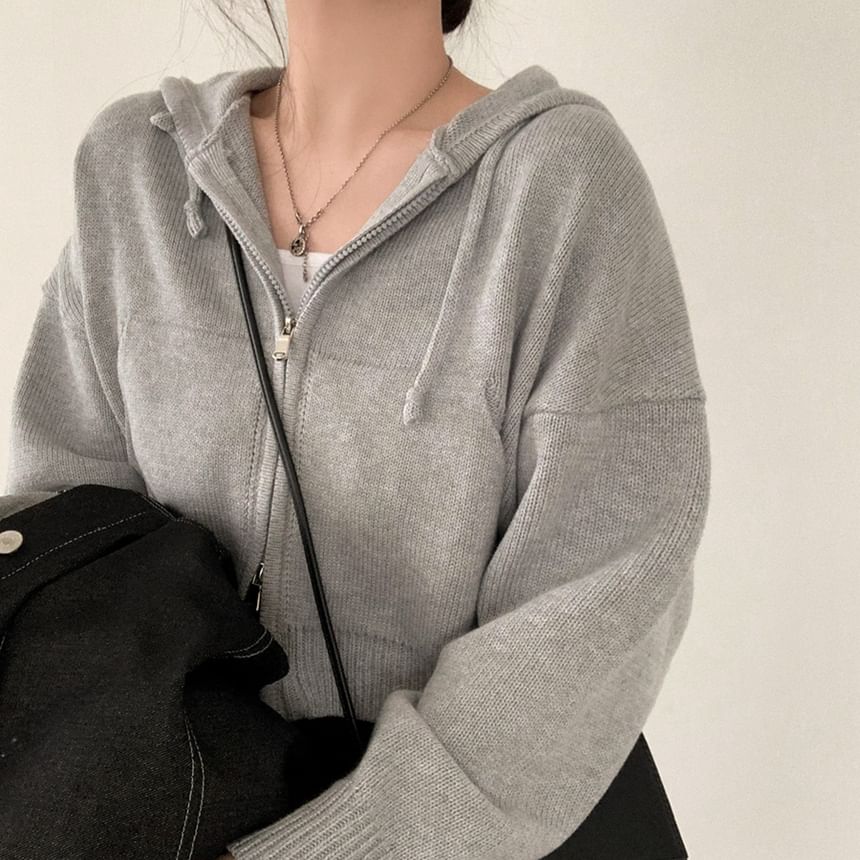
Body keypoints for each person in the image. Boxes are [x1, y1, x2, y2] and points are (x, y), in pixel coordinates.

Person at [2, 1, 711, 858]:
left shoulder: (558, 185)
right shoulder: (137, 170)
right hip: (177, 817)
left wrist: (348, 844)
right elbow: (71, 549)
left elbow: (599, 596)